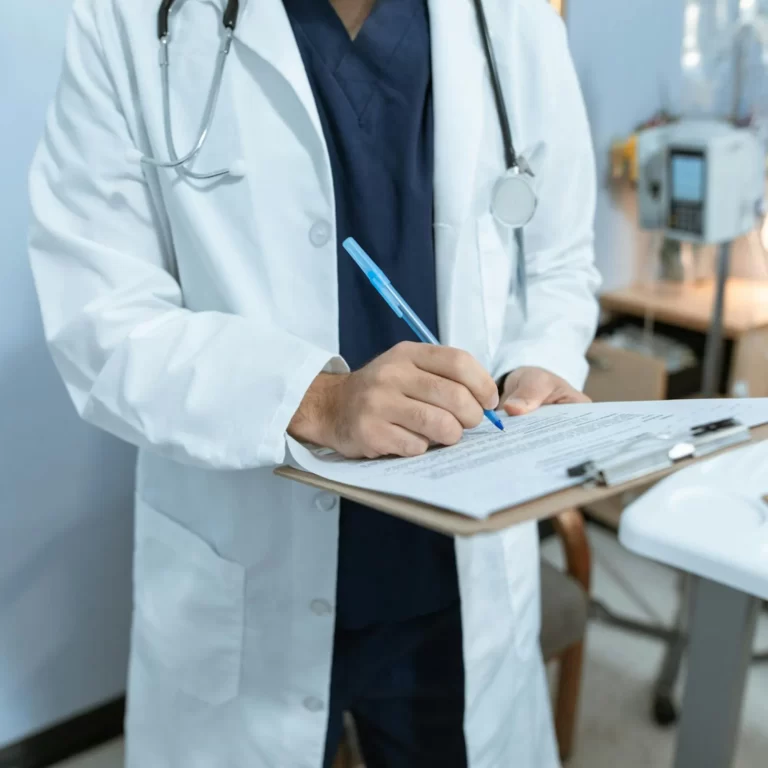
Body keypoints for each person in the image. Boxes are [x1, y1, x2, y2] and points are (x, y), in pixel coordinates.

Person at [28, 0, 600, 765]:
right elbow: (100, 315)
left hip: (453, 577)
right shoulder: (128, 18)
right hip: (246, 561)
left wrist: (541, 363)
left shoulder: (511, 16)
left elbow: (560, 262)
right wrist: (317, 399)